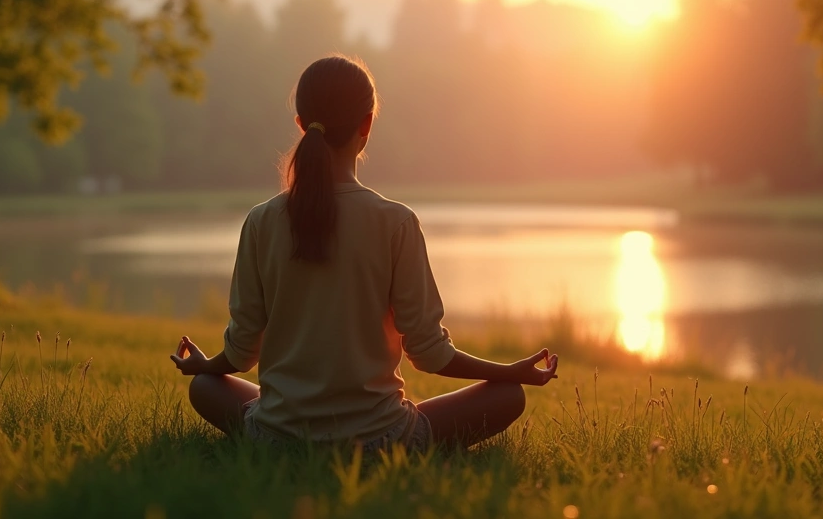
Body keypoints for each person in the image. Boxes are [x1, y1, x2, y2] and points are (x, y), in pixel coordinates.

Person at [169, 55, 559, 452]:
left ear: (301, 125)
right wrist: (509, 372)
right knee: (509, 395)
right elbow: (430, 354)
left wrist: (206, 367)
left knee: (205, 387)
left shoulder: (261, 221)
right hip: (382, 441)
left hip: (276, 437)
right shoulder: (396, 222)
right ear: (367, 125)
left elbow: (240, 352)